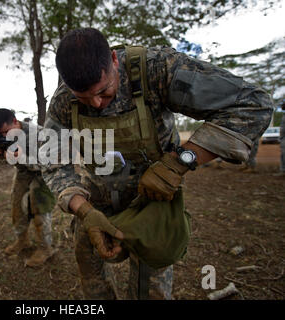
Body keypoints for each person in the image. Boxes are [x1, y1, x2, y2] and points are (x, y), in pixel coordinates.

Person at [41, 28, 273, 299]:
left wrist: (178, 163)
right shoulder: (62, 102)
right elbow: (53, 161)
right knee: (93, 282)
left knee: (151, 292)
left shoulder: (156, 70)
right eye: (84, 98)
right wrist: (83, 210)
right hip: (96, 203)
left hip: (153, 200)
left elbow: (252, 105)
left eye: (104, 91)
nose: (97, 103)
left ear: (114, 60)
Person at [0, 108, 56, 267]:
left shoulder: (39, 134)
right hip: (23, 173)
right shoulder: (5, 134)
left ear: (15, 121)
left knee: (39, 208)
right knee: (17, 207)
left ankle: (45, 248)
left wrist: (21, 157)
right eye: (2, 133)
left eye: (7, 131)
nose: (5, 136)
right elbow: (6, 155)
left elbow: (46, 163)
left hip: (43, 174)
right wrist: (0, 153)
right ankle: (23, 240)